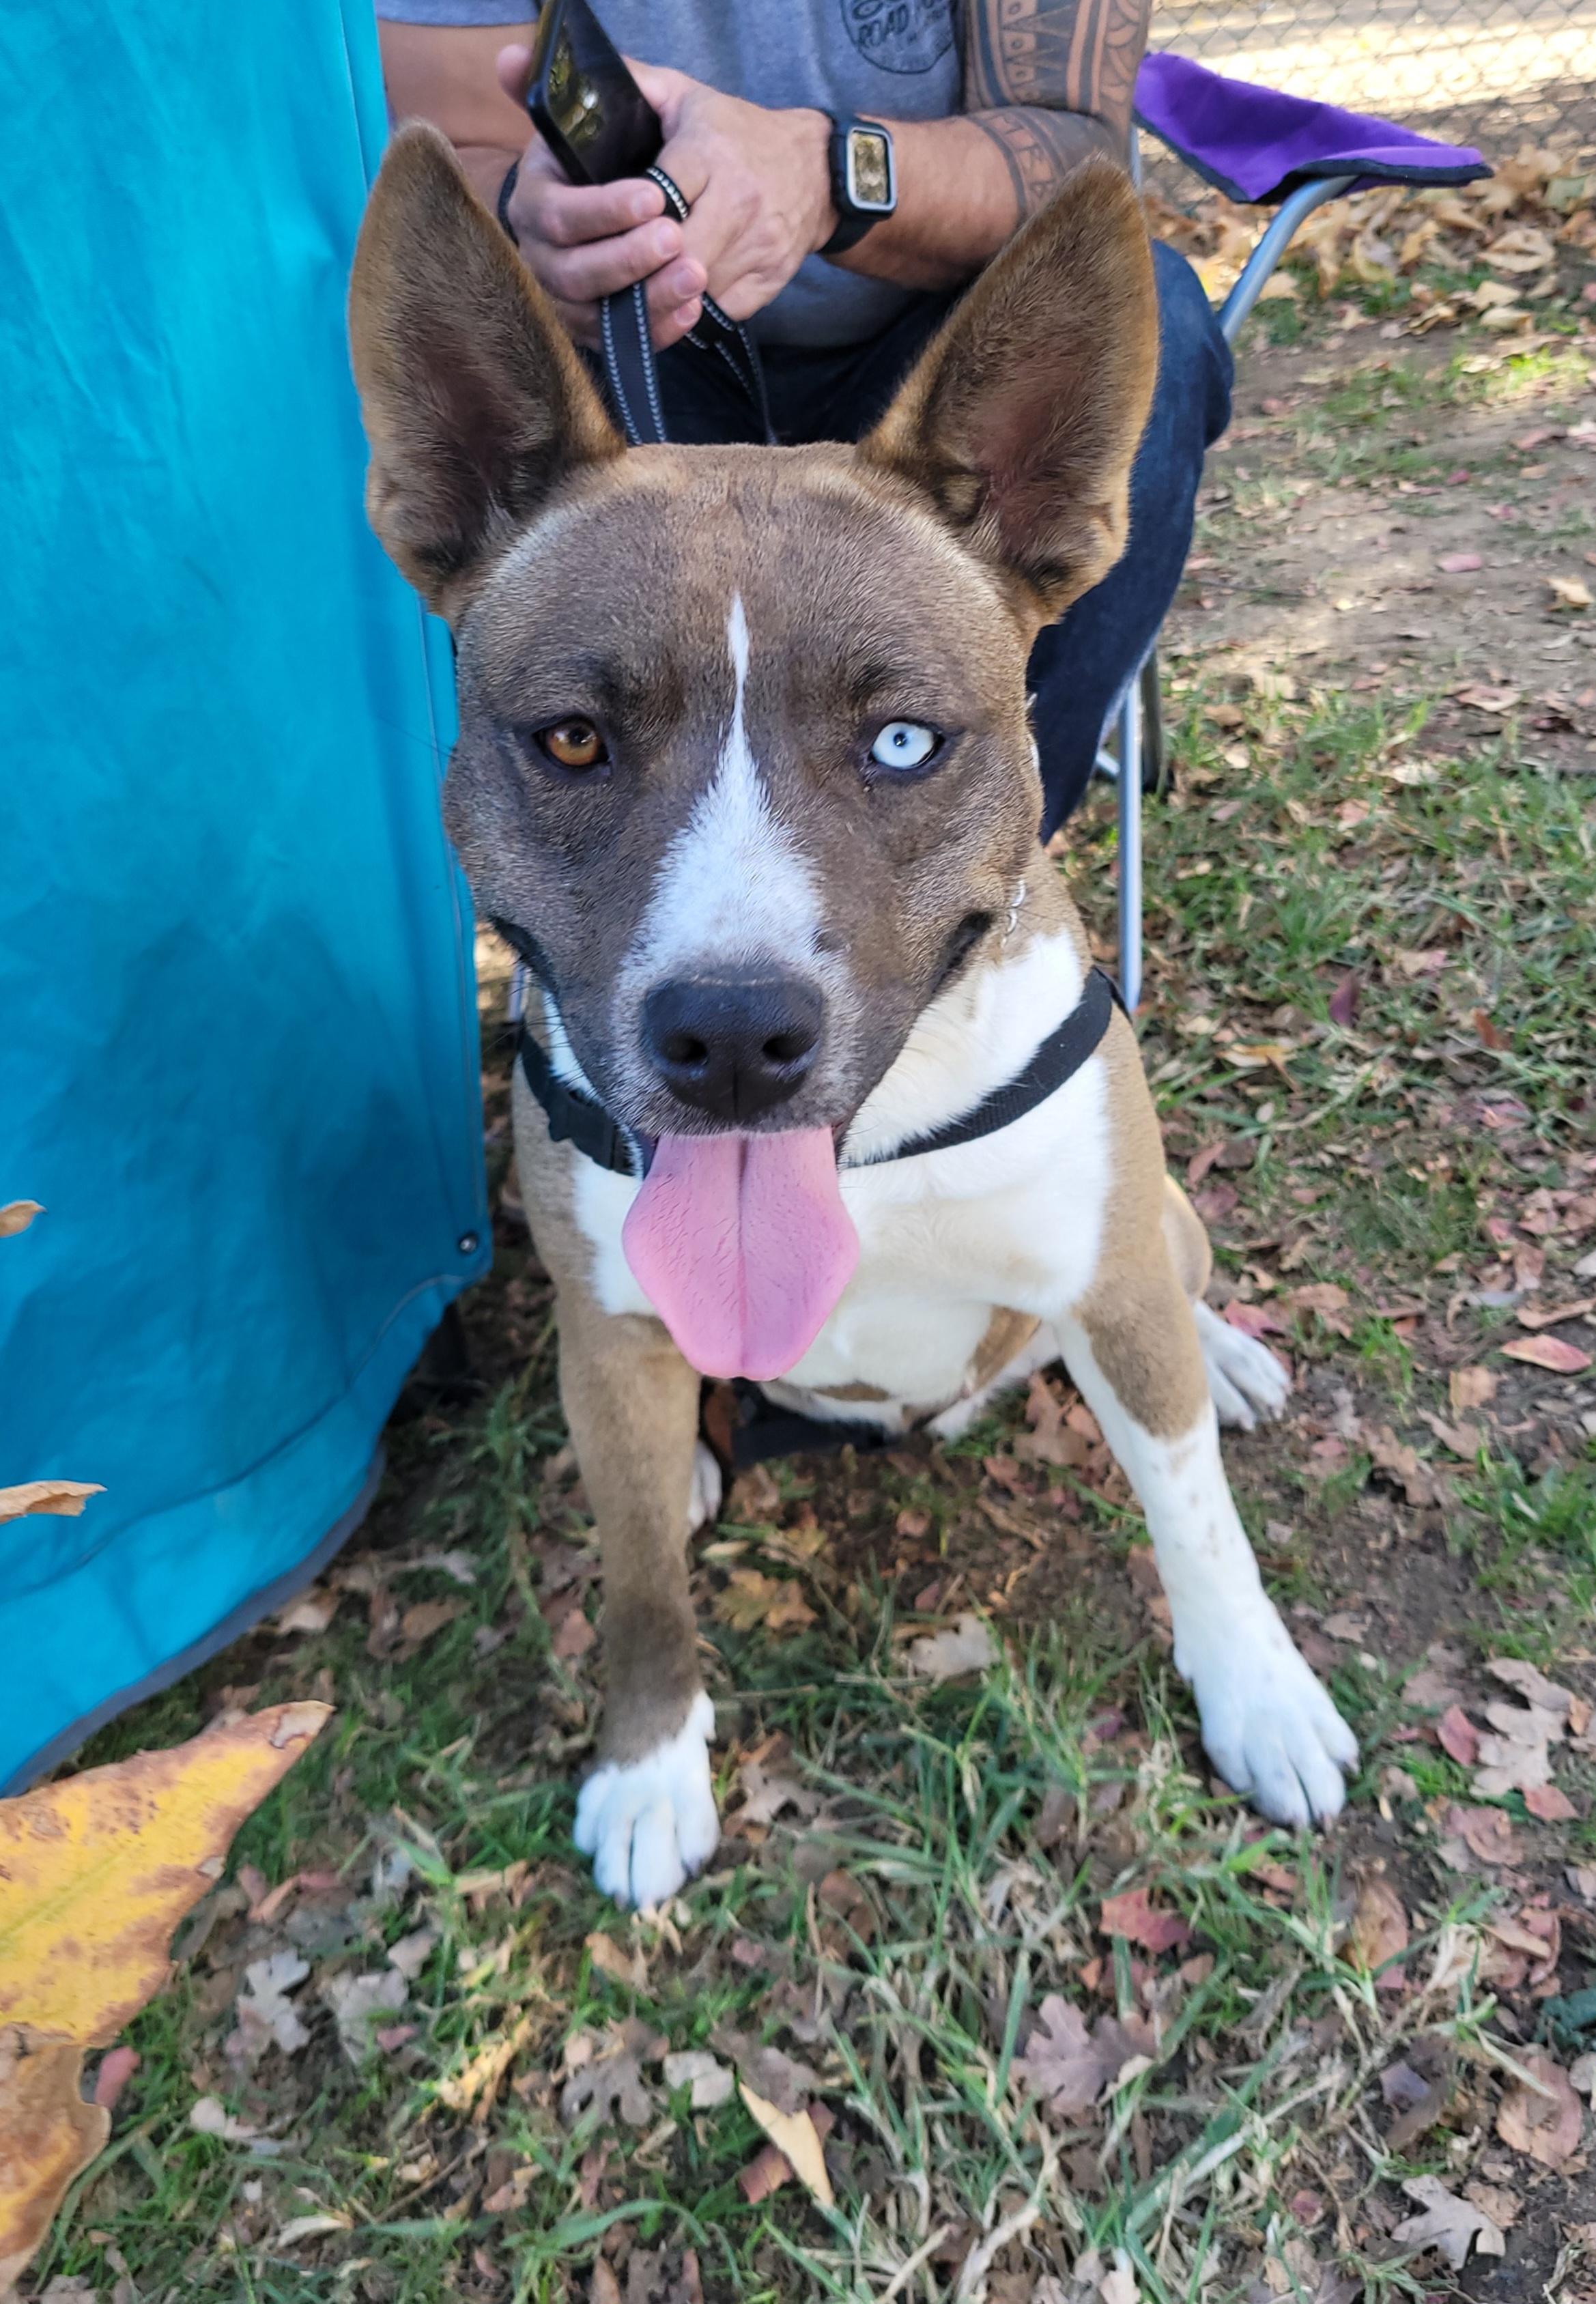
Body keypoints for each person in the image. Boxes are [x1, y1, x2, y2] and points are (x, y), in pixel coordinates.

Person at [377, 0, 1231, 836]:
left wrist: (831, 174)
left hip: (921, 343)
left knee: (1160, 308)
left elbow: (1077, 142)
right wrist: (539, 213)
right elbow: (449, 150)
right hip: (626, 354)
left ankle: (985, 871)